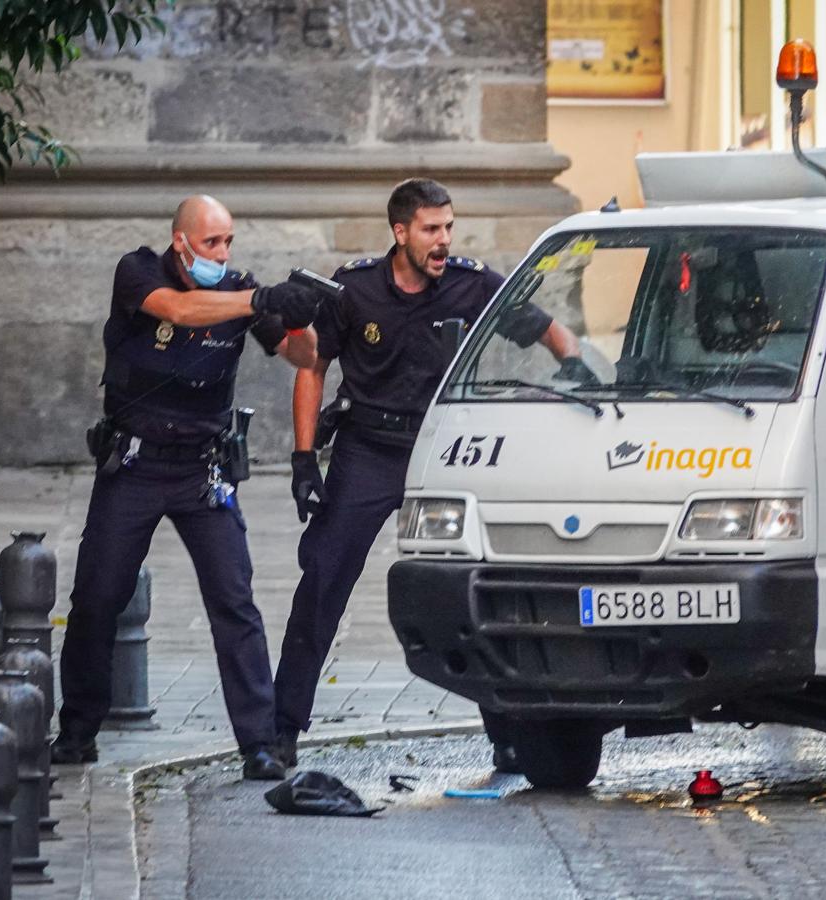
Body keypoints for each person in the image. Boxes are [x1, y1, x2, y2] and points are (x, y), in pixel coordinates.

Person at [276, 178, 587, 772]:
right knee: (323, 579)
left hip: (445, 451)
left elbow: (550, 330)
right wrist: (302, 457)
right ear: (400, 233)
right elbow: (313, 367)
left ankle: (509, 737)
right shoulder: (355, 287)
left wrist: (576, 369)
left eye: (448, 227)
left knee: (474, 587)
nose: (443, 240)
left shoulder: (472, 283)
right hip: (368, 449)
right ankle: (282, 728)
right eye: (430, 230)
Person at [51, 195, 324, 780]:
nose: (222, 254)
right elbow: (179, 309)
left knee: (235, 601)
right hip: (135, 462)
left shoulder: (240, 288)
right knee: (98, 596)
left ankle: (259, 743)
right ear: (181, 242)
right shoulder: (140, 271)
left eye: (228, 242)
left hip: (203, 467)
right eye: (211, 244)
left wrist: (297, 314)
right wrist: (257, 299)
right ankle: (77, 730)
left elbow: (303, 356)